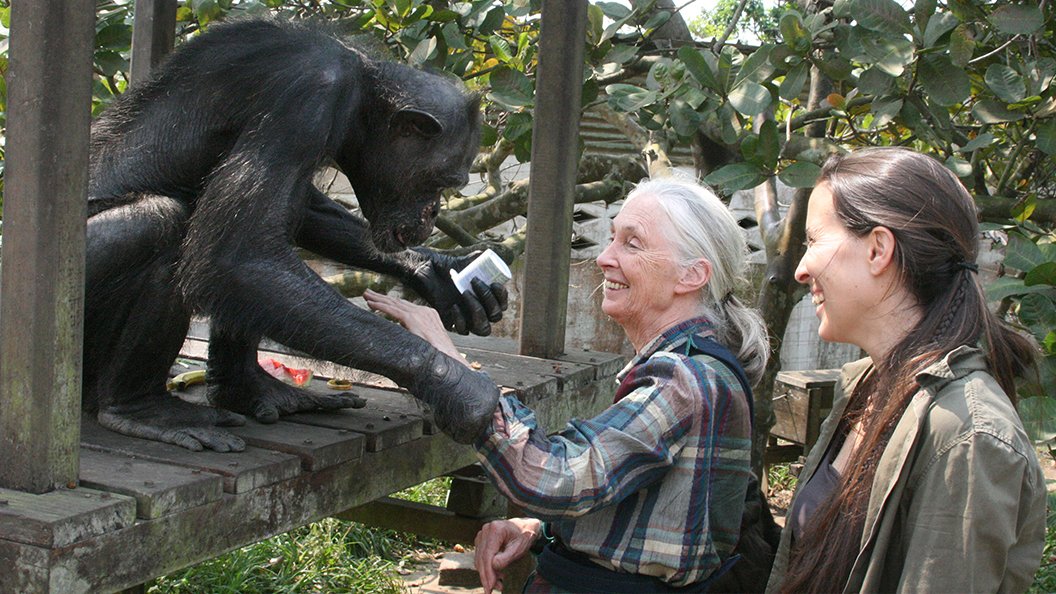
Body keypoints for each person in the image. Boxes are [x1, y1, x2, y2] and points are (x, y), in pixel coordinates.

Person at [364, 177, 772, 593]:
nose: (604, 258)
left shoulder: (685, 379)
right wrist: (540, 528)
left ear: (691, 275)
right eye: (611, 238)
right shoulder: (697, 367)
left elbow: (552, 477)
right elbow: (657, 506)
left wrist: (447, 364)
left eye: (633, 244)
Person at [767, 147, 1047, 593]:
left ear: (879, 249)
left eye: (814, 240)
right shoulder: (867, 385)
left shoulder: (967, 432)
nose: (801, 269)